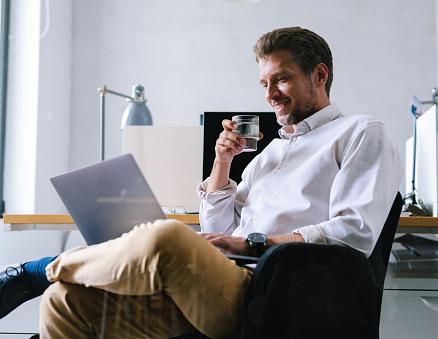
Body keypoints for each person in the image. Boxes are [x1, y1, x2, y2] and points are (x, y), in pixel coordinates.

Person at [0, 27, 404, 338]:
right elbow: (217, 232)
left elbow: (354, 234)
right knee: (64, 300)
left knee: (168, 237)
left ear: (320, 74)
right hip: (220, 282)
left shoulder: (360, 132)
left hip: (279, 291)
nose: (270, 95)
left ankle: (31, 274)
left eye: (280, 80)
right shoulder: (272, 152)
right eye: (264, 84)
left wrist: (250, 243)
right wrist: (222, 162)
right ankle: (47, 281)